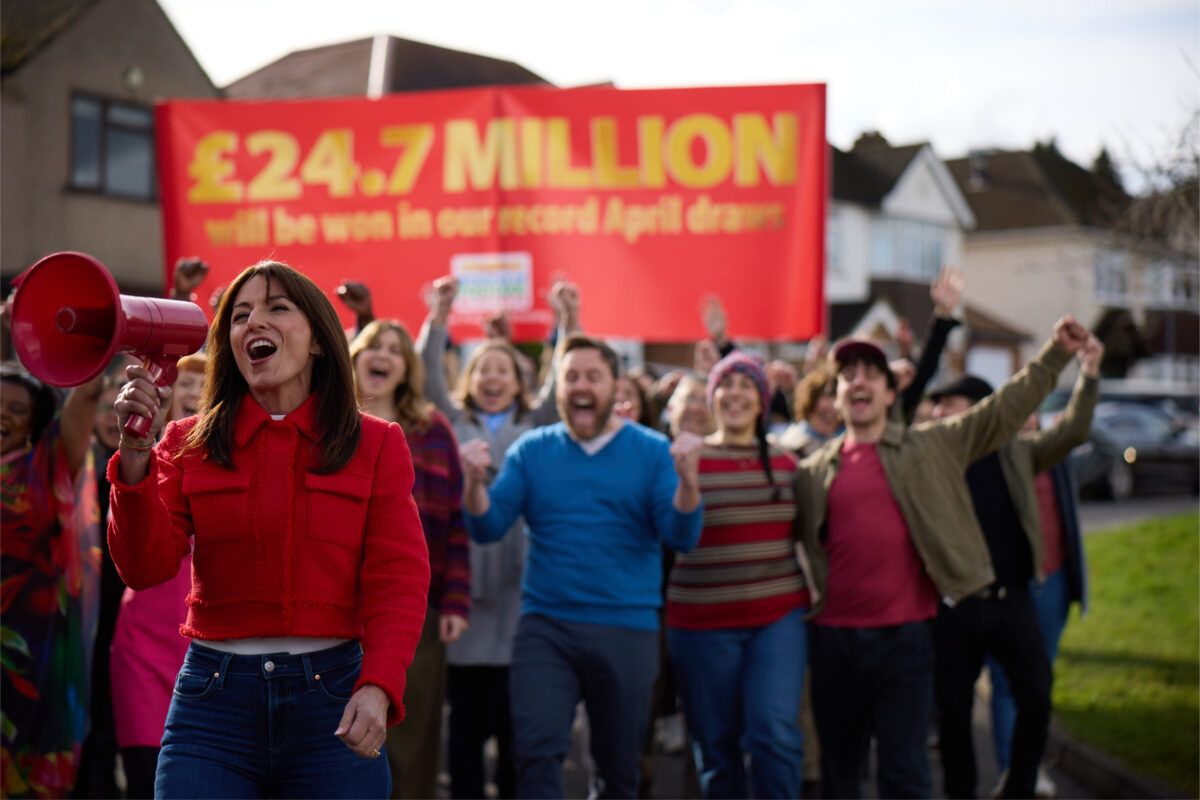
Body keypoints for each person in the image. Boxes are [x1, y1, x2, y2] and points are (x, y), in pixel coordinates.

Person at [106, 260, 430, 798]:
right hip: (212, 706)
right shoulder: (186, 441)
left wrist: (379, 684)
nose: (254, 322)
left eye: (278, 308)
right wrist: (136, 456)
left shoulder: (376, 443)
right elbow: (144, 566)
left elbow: (399, 578)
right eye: (239, 316)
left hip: (333, 701)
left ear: (320, 340)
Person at [793, 315, 1091, 799]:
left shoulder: (928, 447)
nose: (858, 382)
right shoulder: (811, 471)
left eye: (871, 373)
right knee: (841, 774)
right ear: (838, 395)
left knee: (905, 774)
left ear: (891, 393)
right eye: (848, 375)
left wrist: (1056, 353)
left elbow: (1001, 410)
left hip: (905, 641)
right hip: (834, 642)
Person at [460, 334, 705, 799]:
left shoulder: (653, 450)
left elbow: (682, 536)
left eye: (593, 376)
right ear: (558, 387)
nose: (581, 385)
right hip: (547, 627)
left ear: (615, 385)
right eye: (571, 376)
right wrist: (473, 485)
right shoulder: (532, 450)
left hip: (627, 628)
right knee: (536, 755)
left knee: (618, 769)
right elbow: (487, 526)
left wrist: (689, 485)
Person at [417, 276, 579, 800]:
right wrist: (439, 316)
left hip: (519, 592)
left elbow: (562, 382)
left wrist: (568, 322)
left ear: (517, 382)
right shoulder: (450, 423)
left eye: (503, 370)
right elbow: (425, 375)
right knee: (464, 729)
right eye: (484, 368)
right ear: (469, 378)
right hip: (463, 591)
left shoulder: (537, 425)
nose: (492, 378)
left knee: (514, 729)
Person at [928, 335, 1102, 800]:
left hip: (1012, 601)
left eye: (950, 404)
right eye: (938, 405)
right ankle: (961, 793)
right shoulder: (936, 458)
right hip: (955, 607)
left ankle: (1018, 785)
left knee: (1037, 695)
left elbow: (1072, 432)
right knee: (953, 713)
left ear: (983, 410)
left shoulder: (1017, 451)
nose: (939, 412)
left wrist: (1089, 376)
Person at [666, 352, 808, 799]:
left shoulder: (788, 465)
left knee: (773, 733)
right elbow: (676, 537)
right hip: (701, 624)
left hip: (777, 620)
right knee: (716, 748)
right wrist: (687, 482)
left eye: (747, 386)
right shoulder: (688, 458)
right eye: (726, 385)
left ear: (762, 401)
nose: (735, 394)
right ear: (712, 398)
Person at [349, 319, 471, 800]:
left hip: (418, 607)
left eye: (395, 350)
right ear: (354, 358)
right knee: (343, 742)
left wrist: (455, 601)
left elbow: (457, 520)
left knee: (410, 742)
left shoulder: (432, 429)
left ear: (407, 369)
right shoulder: (328, 421)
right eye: (373, 346)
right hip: (338, 607)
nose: (382, 355)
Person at [1, 364, 104, 799]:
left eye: (16, 409)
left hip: (28, 659)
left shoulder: (45, 467)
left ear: (34, 424)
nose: (2, 415)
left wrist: (84, 351)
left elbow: (87, 395)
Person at [107, 352, 206, 798]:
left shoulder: (237, 460)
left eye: (205, 384)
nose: (194, 392)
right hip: (144, 651)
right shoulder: (142, 459)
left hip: (214, 652)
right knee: (148, 780)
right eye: (184, 384)